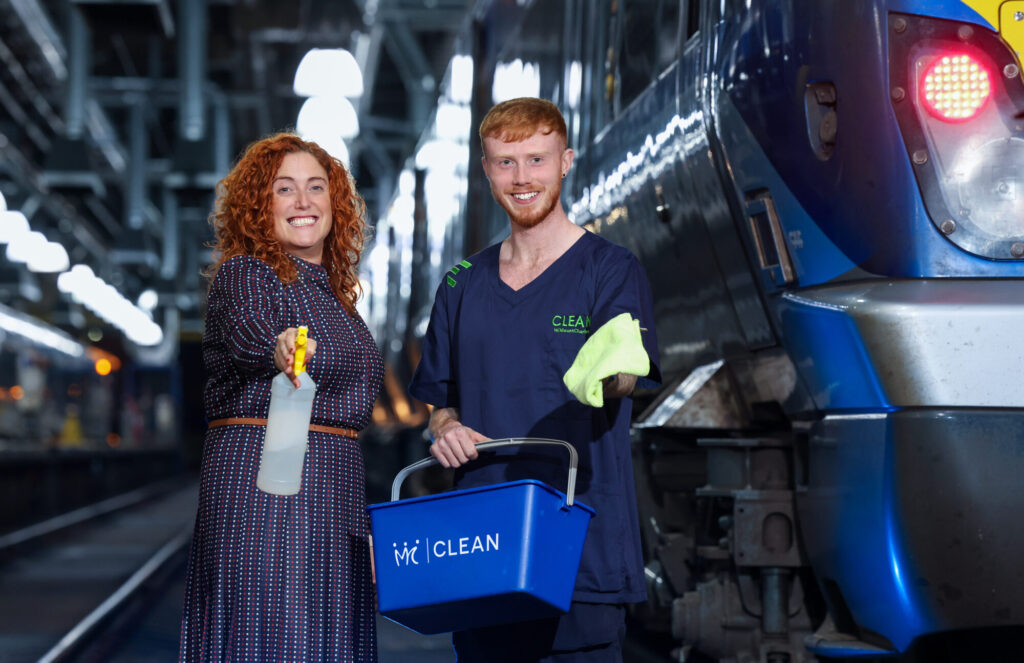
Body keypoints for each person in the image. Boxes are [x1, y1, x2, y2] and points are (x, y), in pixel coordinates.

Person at [409, 97, 661, 662]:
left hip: (580, 547)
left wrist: (606, 376)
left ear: (566, 162)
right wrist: (443, 429)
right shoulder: (460, 282)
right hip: (482, 548)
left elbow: (626, 371)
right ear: (487, 170)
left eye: (537, 160)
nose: (522, 179)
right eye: (506, 163)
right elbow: (441, 404)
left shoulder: (610, 270)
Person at [179, 133, 382, 661]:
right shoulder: (245, 273)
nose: (303, 201)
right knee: (274, 632)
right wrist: (281, 347)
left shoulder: (334, 293)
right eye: (284, 189)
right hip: (266, 485)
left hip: (333, 486)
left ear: (334, 204)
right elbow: (252, 336)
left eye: (316, 188)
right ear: (259, 205)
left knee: (325, 633)